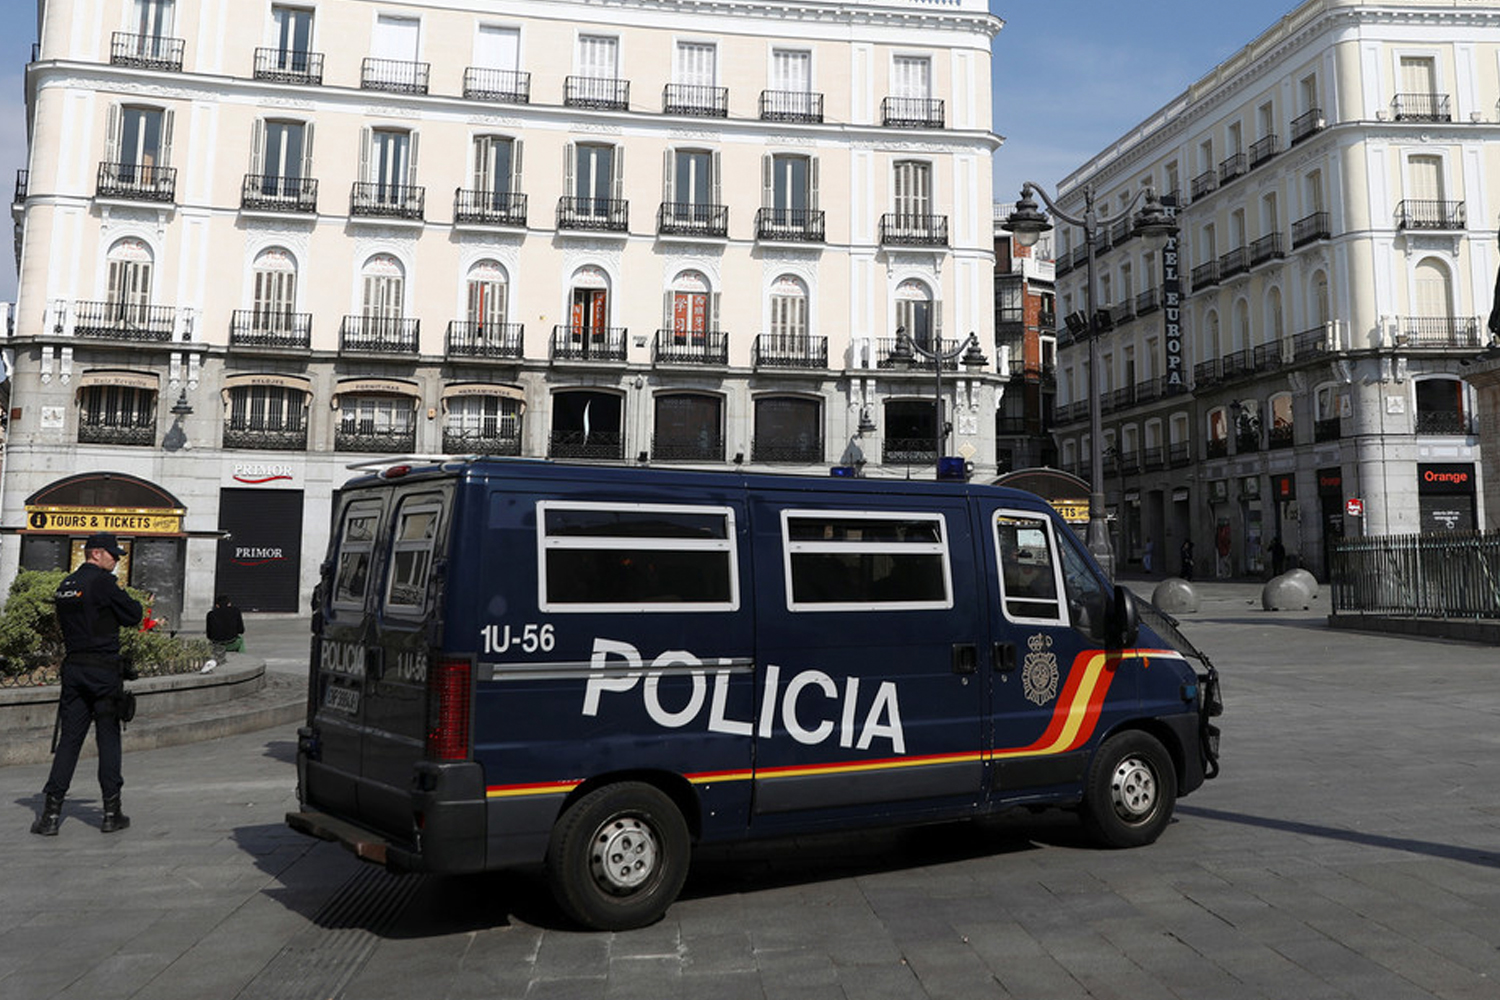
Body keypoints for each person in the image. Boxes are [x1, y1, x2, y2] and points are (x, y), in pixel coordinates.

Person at [30, 533, 143, 836]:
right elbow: (133, 615)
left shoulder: (66, 585)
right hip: (103, 670)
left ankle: (50, 815)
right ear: (96, 554)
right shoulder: (102, 582)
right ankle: (111, 811)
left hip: (74, 668)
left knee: (69, 741)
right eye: (113, 554)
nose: (117, 560)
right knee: (108, 738)